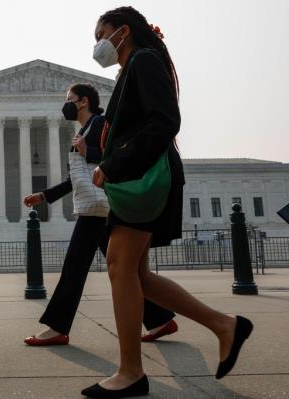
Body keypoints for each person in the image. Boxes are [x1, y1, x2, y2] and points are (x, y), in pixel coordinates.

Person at [84, 7, 253, 397]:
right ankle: (225, 326)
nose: (98, 45)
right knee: (137, 276)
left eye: (101, 35)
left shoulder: (143, 60)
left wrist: (114, 164)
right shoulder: (133, 68)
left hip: (144, 179)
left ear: (123, 32)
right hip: (138, 178)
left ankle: (130, 372)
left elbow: (165, 122)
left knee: (118, 265)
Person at [23, 84, 176, 347]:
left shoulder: (102, 124)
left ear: (83, 102)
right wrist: (46, 196)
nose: (66, 104)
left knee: (75, 266)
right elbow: (78, 177)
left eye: (69, 99)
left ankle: (57, 326)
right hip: (95, 205)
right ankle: (160, 319)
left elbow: (120, 157)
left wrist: (89, 151)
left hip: (97, 206)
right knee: (124, 269)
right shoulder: (83, 130)